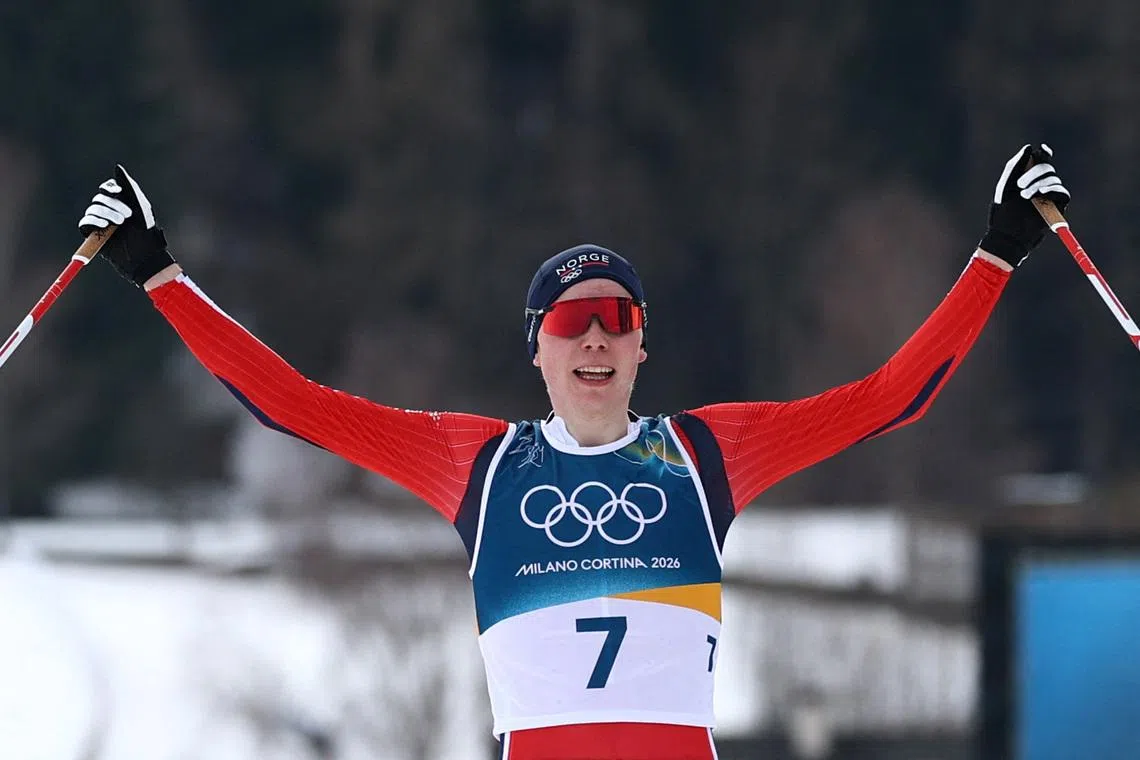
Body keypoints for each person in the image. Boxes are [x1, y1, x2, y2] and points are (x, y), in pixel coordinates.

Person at [77, 144, 1069, 760]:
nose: (593, 337)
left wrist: (999, 249)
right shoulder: (480, 466)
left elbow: (893, 400)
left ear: (642, 343)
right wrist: (157, 271)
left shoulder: (704, 454)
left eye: (615, 318)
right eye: (571, 321)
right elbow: (291, 404)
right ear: (538, 348)